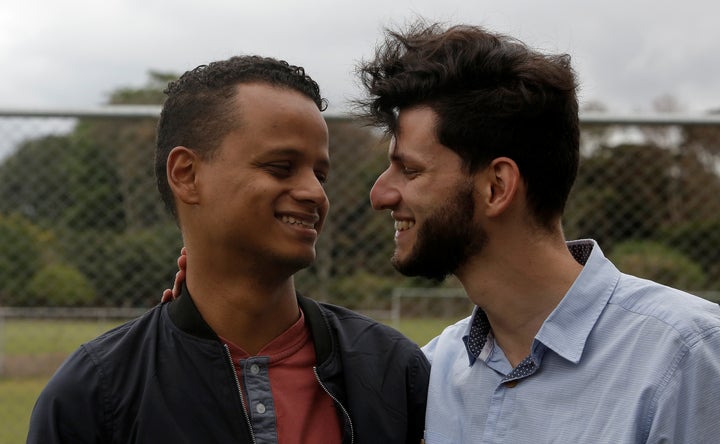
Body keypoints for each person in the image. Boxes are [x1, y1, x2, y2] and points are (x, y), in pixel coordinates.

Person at [27, 55, 429, 444]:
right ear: (186, 175)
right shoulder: (96, 394)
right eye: (280, 167)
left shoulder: (392, 371)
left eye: (319, 174)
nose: (314, 192)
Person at [354, 21, 720, 443]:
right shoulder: (433, 370)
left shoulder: (686, 357)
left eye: (410, 170)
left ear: (497, 187)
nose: (379, 195)